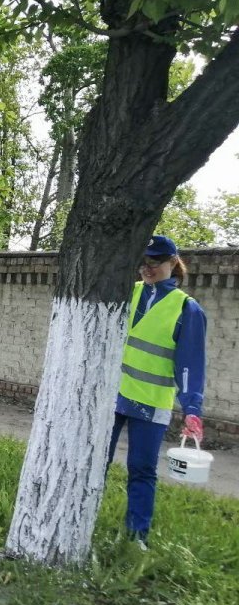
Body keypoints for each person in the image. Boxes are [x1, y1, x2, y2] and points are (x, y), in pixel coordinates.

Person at [108, 235, 206, 550]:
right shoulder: (128, 293)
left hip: (152, 402)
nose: (147, 268)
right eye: (143, 261)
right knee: (96, 459)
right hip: (113, 395)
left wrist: (192, 409)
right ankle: (77, 520)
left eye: (155, 262)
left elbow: (190, 364)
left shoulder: (187, 309)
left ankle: (137, 537)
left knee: (141, 469)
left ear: (173, 263)